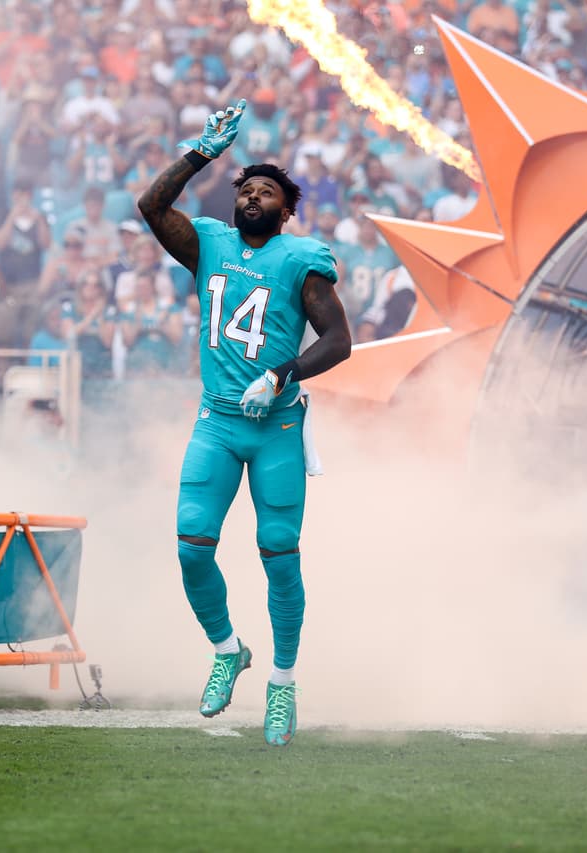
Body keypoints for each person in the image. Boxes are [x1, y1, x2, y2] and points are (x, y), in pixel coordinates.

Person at [137, 99, 351, 747]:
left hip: (276, 427)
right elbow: (152, 205)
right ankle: (229, 650)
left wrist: (282, 373)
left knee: (278, 555)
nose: (253, 196)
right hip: (217, 422)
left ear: (286, 211)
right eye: (246, 188)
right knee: (191, 546)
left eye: (267, 192)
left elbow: (338, 340)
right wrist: (201, 153)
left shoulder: (299, 258)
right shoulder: (208, 242)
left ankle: (282, 684)